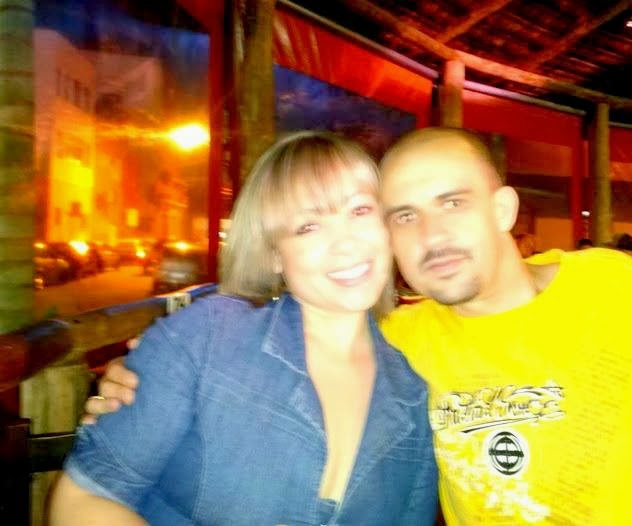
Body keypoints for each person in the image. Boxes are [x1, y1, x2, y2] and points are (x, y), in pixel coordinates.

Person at [86, 127, 632, 525]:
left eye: (453, 203)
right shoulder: (402, 344)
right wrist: (147, 379)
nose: (431, 235)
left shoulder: (613, 283)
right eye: (403, 215)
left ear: (503, 209)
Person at [49, 131, 438, 525]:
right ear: (273, 255)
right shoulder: (206, 339)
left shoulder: (413, 393)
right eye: (308, 226)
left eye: (360, 211)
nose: (346, 244)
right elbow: (81, 500)